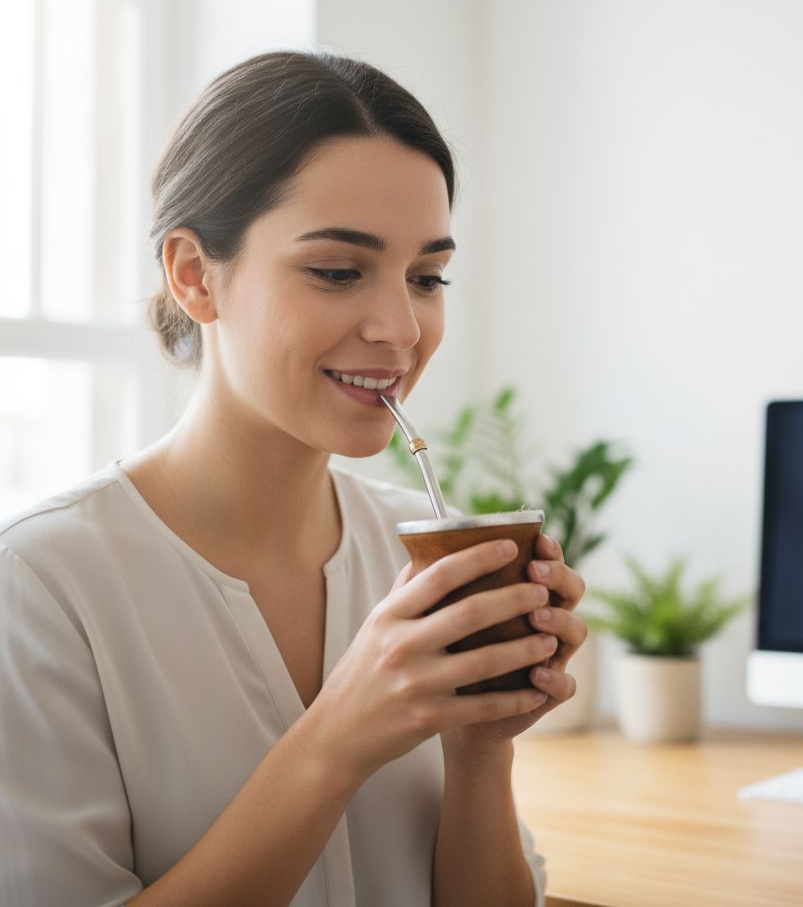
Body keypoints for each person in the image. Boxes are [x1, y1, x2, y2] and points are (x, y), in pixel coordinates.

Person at [0, 50, 587, 907]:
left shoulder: (422, 559)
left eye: (427, 277)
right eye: (338, 271)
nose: (400, 329)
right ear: (195, 275)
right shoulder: (42, 585)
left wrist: (481, 749)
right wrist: (339, 737)